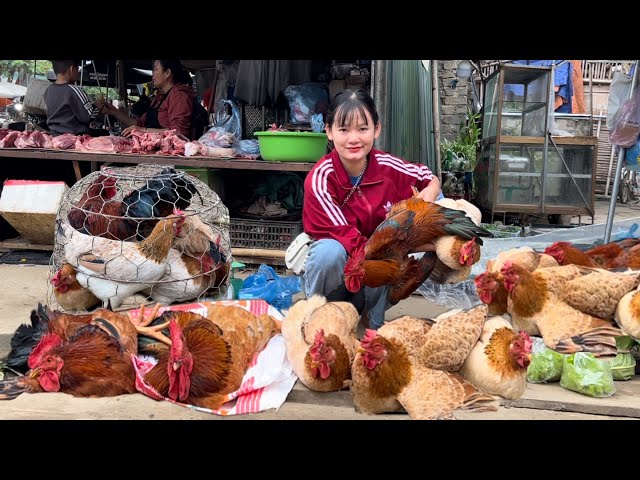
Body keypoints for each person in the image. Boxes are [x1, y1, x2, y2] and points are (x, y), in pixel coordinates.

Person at [300, 88, 442, 330]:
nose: (353, 138)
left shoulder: (387, 166)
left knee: (386, 254)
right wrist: (406, 243)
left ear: (376, 129)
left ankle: (372, 324)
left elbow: (429, 177)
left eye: (362, 129)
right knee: (329, 253)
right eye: (344, 129)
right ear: (329, 132)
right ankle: (318, 316)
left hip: (369, 276)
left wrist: (429, 194)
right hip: (336, 272)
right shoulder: (321, 178)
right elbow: (348, 238)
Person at [99, 59, 196, 140]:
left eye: (156, 69)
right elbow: (139, 124)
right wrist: (114, 112)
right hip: (152, 148)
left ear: (167, 73)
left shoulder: (178, 96)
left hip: (169, 153)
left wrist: (143, 130)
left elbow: (178, 133)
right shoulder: (159, 97)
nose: (153, 75)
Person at [44, 59, 105, 136]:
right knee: (104, 133)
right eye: (78, 69)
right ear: (72, 69)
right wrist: (97, 106)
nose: (78, 72)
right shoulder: (74, 90)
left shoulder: (49, 90)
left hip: (54, 135)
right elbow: (89, 117)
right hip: (74, 138)